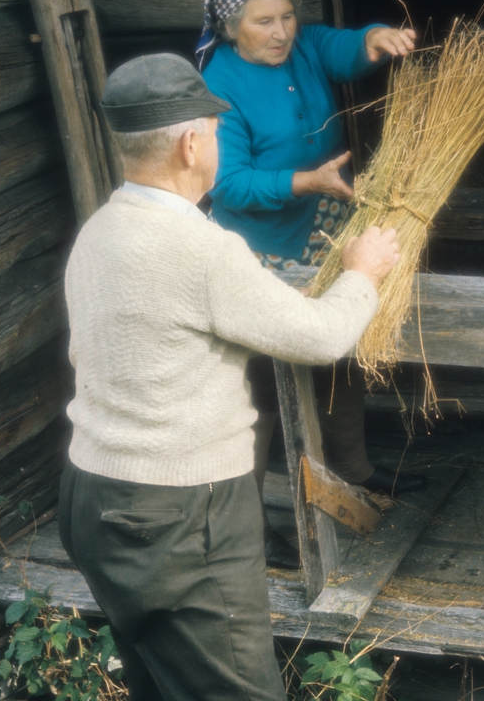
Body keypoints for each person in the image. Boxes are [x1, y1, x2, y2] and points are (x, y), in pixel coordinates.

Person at [58, 53, 400, 701]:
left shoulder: (99, 231)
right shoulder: (203, 250)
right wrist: (362, 271)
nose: (217, 141)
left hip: (90, 498)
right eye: (215, 131)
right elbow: (322, 337)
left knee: (161, 684)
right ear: (192, 144)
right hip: (180, 518)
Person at [196, 0, 424, 569]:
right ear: (229, 27)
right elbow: (230, 186)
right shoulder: (219, 86)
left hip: (320, 226)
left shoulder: (301, 46)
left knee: (340, 347)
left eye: (287, 15)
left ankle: (352, 472)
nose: (281, 32)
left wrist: (374, 39)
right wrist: (306, 180)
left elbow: (338, 47)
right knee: (265, 389)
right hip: (257, 247)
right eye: (263, 22)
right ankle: (242, 527)